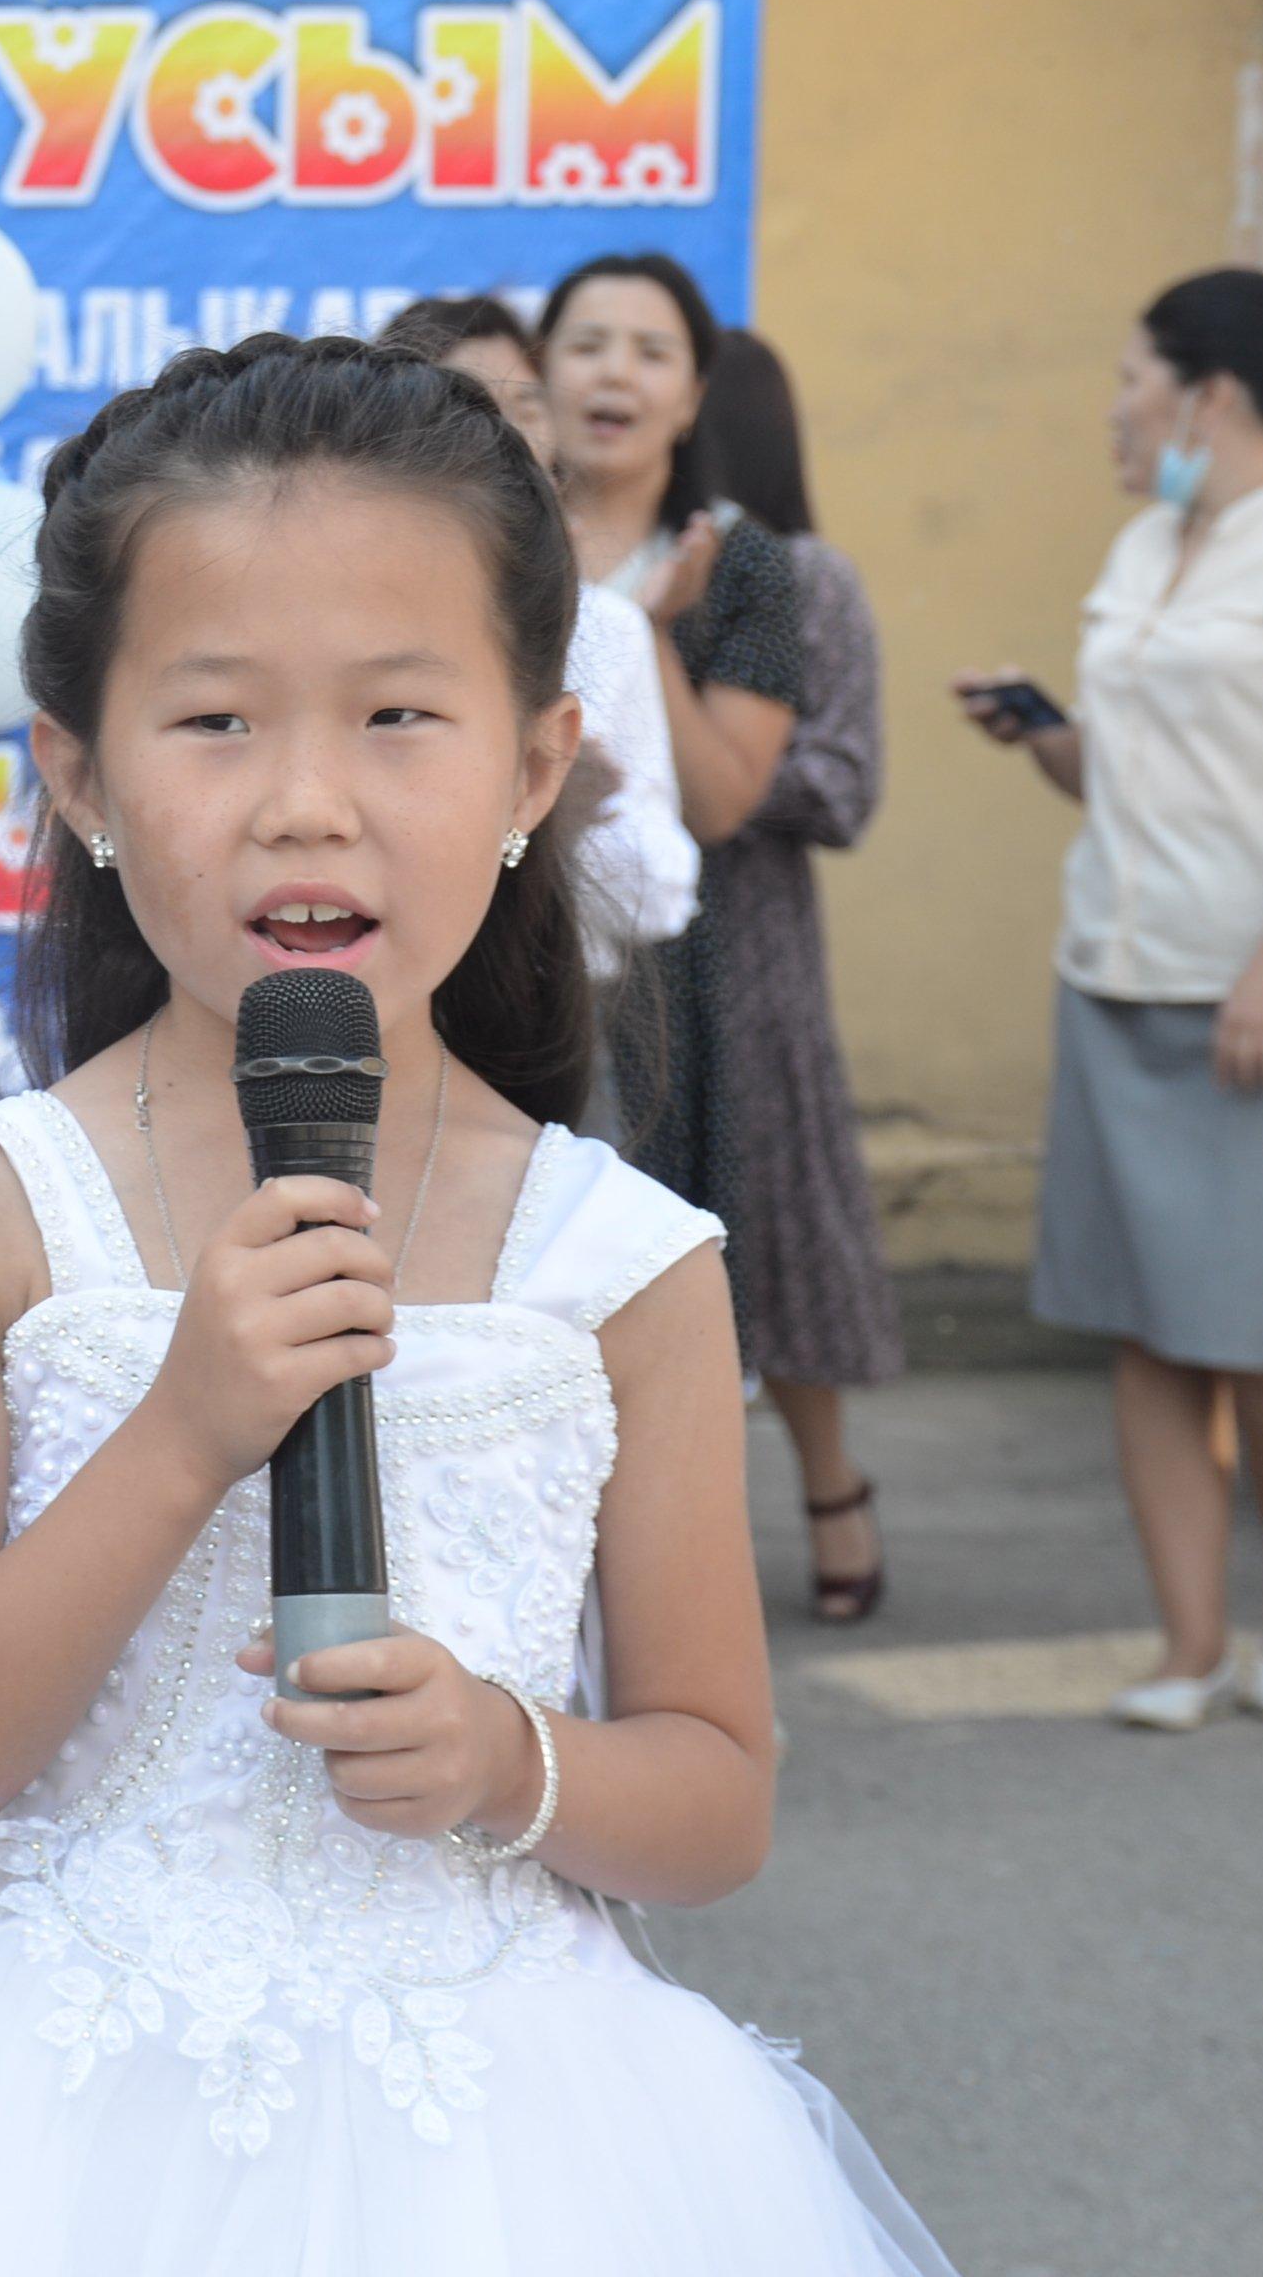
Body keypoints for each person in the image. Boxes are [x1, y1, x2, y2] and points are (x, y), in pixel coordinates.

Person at [0, 336, 956, 2272]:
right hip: (29, 2135)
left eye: (400, 714)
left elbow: (716, 1797)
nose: (307, 803)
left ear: (535, 766)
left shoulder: (627, 1262)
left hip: (501, 2158)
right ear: (77, 773)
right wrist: (181, 1431)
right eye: (216, 720)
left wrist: (510, 1758)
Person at [958, 266, 1263, 1731]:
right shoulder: (1150, 541)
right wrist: (1044, 733)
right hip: (1113, 971)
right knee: (1146, 1329)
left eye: (1131, 379)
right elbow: (1127, 772)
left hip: (1252, 995)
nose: (1115, 410)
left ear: (1209, 394)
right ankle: (1188, 1645)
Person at [539, 256, 807, 1306]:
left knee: (631, 1267)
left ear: (692, 398)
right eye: (587, 346)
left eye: (652, 354)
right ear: (541, 373)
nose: (616, 374)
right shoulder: (484, 542)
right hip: (487, 947)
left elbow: (725, 802)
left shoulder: (744, 567)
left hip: (656, 970)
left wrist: (642, 630)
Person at [696, 329, 907, 1621]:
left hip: (751, 954)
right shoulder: (602, 569)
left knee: (778, 1236)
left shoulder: (806, 580)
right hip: (603, 955)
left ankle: (833, 1490)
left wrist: (701, 759)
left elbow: (841, 782)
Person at [380, 293, 701, 971]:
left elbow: (663, 901)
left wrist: (565, 812)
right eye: (474, 408)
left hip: (559, 1006)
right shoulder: (353, 629)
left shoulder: (607, 627)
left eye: (528, 407)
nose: (513, 436)